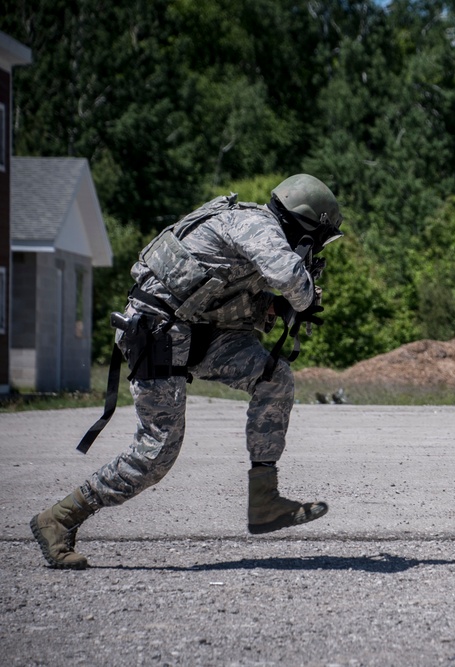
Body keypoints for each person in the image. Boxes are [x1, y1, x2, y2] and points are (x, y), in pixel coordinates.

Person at [30, 174, 343, 569]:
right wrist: (306, 293)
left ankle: (264, 499)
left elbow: (234, 291)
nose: (316, 250)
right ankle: (57, 518)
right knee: (157, 450)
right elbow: (292, 282)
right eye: (320, 240)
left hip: (194, 330)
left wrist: (272, 307)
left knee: (273, 376)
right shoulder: (256, 226)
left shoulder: (256, 233)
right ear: (305, 224)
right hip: (157, 330)